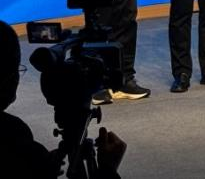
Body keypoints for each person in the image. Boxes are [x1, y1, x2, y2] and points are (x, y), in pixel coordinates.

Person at [1, 20, 127, 179]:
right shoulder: (13, 136)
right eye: (16, 70)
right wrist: (108, 169)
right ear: (6, 78)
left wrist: (40, 166)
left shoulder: (14, 136)